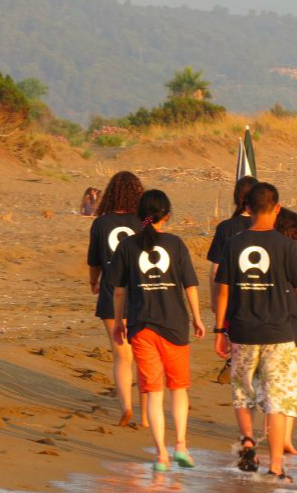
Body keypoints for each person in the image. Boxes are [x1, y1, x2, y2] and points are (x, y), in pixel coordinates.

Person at [214, 182, 297, 481]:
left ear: (247, 209)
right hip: (280, 333)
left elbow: (222, 292)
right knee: (278, 399)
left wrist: (218, 330)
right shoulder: (287, 247)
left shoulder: (233, 244)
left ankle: (248, 439)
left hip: (241, 330)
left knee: (243, 392)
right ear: (276, 208)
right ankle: (276, 465)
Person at [110, 189, 206, 472]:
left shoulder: (127, 246)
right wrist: (198, 318)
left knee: (153, 392)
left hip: (141, 327)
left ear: (140, 215)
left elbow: (118, 291)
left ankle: (161, 454)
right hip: (175, 326)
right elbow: (190, 285)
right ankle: (181, 446)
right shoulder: (175, 244)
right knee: (178, 389)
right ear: (167, 215)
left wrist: (118, 323)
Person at [87, 171, 148, 427]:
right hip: (142, 294)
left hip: (112, 293)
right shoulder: (144, 222)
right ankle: (146, 415)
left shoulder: (100, 223)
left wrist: (94, 282)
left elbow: (94, 261)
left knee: (121, 356)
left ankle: (126, 406)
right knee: (144, 356)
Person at [273, 207, 297, 455]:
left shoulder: (271, 252)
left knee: (271, 381)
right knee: (291, 382)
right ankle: (285, 437)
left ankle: (271, 431)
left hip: (271, 322)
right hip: (294, 323)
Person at [207, 176, 259, 315]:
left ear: (236, 197)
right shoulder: (267, 227)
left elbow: (215, 271)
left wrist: (214, 301)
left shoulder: (225, 228)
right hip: (263, 303)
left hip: (233, 304)